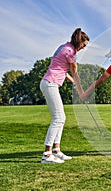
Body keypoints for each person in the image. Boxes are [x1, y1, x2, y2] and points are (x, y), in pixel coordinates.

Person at [40, 28, 89, 163]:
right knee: (58, 118)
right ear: (79, 41)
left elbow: (61, 68)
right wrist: (80, 91)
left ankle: (56, 150)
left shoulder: (64, 47)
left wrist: (72, 81)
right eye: (84, 45)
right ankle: (47, 154)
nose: (84, 48)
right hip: (51, 83)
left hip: (49, 82)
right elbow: (74, 72)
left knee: (61, 117)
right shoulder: (71, 52)